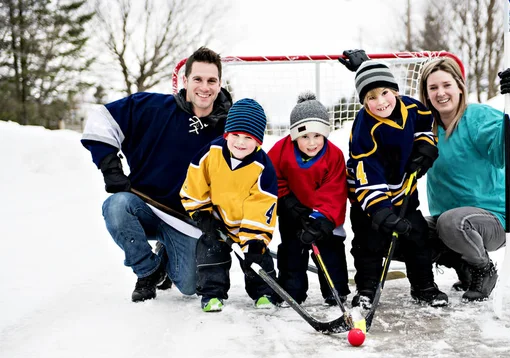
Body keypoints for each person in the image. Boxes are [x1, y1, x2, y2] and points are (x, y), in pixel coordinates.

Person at [81, 46, 232, 302]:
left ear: (219, 84)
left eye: (211, 80)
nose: (204, 87)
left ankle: (167, 253)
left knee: (191, 287)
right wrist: (110, 166)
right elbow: (101, 118)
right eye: (197, 79)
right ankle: (149, 270)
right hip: (144, 208)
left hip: (188, 220)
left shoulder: (230, 126)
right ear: (185, 81)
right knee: (116, 206)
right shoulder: (152, 108)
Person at [418, 57, 510, 302]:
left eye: (446, 85)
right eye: (433, 88)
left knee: (452, 222)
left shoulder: (478, 117)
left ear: (460, 86)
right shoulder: (426, 127)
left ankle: (484, 269)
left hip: (492, 220)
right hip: (446, 223)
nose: (441, 93)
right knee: (405, 231)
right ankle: (461, 263)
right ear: (426, 94)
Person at [339, 55, 448, 309]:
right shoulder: (365, 131)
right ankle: (366, 290)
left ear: (395, 91)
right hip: (369, 203)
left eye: (384, 92)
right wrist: (381, 211)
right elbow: (367, 173)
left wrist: (425, 149)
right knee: (369, 245)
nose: (380, 102)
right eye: (371, 98)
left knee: (418, 237)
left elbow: (425, 124)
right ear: (364, 102)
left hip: (405, 192)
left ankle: (424, 287)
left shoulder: (411, 108)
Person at [180, 98, 279, 312]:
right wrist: (200, 213)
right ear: (227, 134)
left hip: (247, 226)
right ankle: (212, 294)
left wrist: (254, 238)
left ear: (259, 142)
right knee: (211, 254)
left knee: (257, 258)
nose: (240, 142)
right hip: (216, 221)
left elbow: (262, 204)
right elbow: (196, 182)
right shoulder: (211, 153)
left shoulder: (263, 167)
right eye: (235, 135)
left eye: (248, 138)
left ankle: (264, 293)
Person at [267, 92, 350, 306]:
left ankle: (336, 291)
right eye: (304, 136)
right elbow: (273, 177)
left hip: (325, 216)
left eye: (317, 135)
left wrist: (320, 219)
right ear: (295, 136)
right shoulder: (280, 150)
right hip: (292, 212)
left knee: (330, 250)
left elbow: (335, 191)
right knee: (292, 251)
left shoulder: (334, 156)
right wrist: (288, 202)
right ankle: (292, 291)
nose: (312, 143)